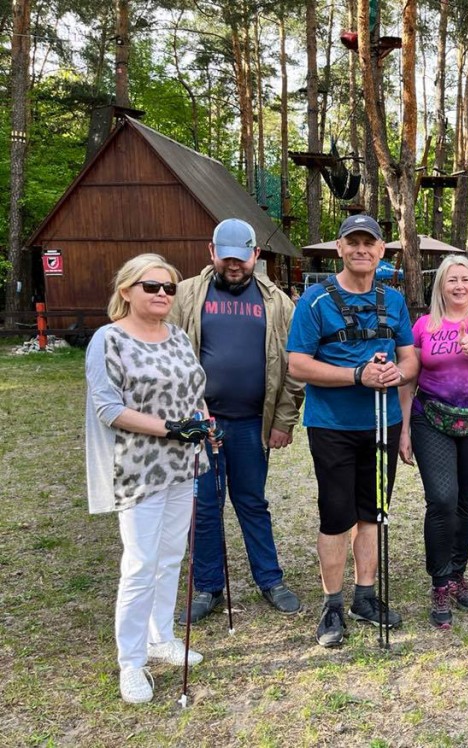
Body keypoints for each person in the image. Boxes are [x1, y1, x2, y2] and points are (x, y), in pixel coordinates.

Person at [85, 254, 212, 704]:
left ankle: (161, 636)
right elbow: (108, 407)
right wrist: (171, 428)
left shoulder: (176, 335)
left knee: (171, 555)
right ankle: (131, 661)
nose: (162, 294)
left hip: (183, 465)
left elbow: (192, 391)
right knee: (139, 564)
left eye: (169, 288)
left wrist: (200, 416)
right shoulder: (108, 340)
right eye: (151, 286)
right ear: (126, 291)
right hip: (137, 467)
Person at [287, 214, 418, 647]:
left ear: (382, 251)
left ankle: (366, 596)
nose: (362, 249)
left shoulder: (394, 300)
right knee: (336, 516)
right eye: (353, 242)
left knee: (373, 513)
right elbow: (298, 364)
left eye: (370, 243)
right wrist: (357, 375)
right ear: (339, 249)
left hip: (381, 423)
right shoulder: (314, 300)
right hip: (333, 426)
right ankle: (332, 605)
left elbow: (410, 359)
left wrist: (393, 375)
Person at [168, 218, 305, 623]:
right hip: (200, 423)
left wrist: (283, 421)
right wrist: (183, 411)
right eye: (225, 257)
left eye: (241, 259)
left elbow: (294, 370)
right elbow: (171, 356)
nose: (233, 266)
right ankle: (208, 586)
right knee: (204, 506)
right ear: (211, 252)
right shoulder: (186, 295)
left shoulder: (279, 302)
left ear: (255, 256)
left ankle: (270, 580)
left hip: (251, 424)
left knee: (252, 503)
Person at [400, 255, 468, 629]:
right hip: (430, 420)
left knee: (465, 503)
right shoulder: (424, 325)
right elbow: (408, 378)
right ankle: (440, 581)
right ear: (440, 286)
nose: (459, 286)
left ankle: (458, 575)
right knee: (441, 500)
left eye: (466, 279)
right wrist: (404, 430)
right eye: (451, 280)